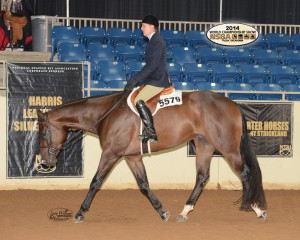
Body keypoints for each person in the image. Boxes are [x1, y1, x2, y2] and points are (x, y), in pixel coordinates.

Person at [125, 14, 171, 144]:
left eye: (143, 26)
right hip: (152, 79)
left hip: (157, 81)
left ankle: (151, 132)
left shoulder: (157, 41)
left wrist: (135, 79)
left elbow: (152, 66)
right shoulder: (153, 41)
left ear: (152, 27)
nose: (141, 28)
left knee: (139, 100)